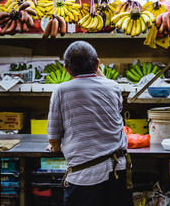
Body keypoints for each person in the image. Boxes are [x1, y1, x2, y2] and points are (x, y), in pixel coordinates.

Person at [46, 40, 133, 206]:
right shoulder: (113, 86)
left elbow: (54, 139)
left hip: (84, 177)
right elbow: (116, 105)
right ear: (98, 64)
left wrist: (57, 147)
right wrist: (94, 65)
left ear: (66, 69)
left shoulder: (61, 91)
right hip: (118, 171)